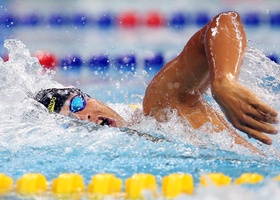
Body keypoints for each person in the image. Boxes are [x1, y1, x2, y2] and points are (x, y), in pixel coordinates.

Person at [34, 11, 278, 153]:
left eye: (76, 105)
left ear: (93, 98)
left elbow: (224, 22)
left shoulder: (161, 108)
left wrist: (224, 81)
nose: (82, 118)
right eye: (69, 121)